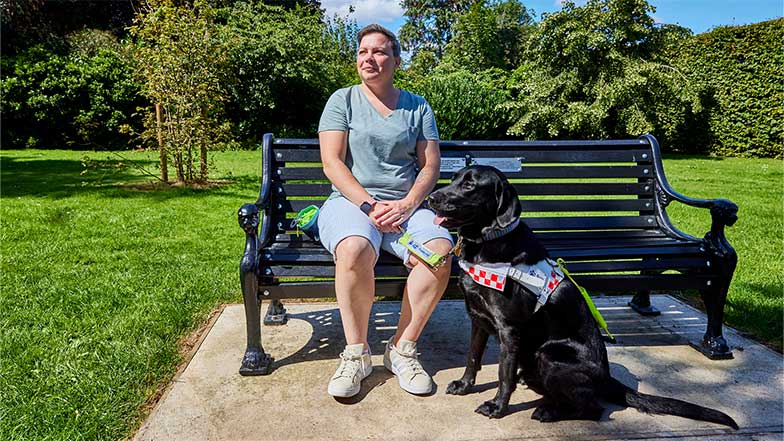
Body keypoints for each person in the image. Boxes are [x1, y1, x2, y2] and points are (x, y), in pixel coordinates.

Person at [317, 24, 453, 398]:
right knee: (354, 249)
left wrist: (408, 203)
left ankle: (401, 350)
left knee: (440, 254)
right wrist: (369, 204)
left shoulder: (417, 106)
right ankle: (357, 355)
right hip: (351, 204)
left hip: (406, 208)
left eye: (378, 52)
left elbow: (429, 166)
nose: (369, 59)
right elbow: (332, 163)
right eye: (363, 52)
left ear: (395, 59)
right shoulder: (341, 100)